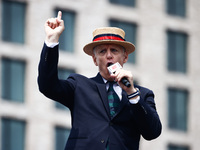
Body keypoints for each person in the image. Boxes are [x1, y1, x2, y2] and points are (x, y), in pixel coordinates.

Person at [38, 11, 162, 150]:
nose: (109, 56)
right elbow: (47, 86)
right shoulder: (79, 86)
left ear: (125, 57)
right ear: (94, 59)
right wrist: (51, 41)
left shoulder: (142, 95)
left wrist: (132, 94)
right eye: (102, 52)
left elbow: (153, 132)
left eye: (114, 50)